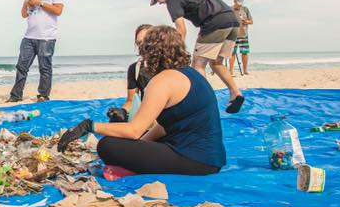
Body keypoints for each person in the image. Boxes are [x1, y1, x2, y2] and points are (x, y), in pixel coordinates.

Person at [58, 25, 226, 176]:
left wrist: (89, 126)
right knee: (128, 143)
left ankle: (131, 169)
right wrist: (137, 147)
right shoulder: (191, 74)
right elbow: (162, 126)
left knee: (107, 145)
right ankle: (134, 165)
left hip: (194, 160)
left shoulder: (162, 81)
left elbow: (134, 130)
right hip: (211, 158)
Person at [147, 0, 245, 114]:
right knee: (216, 63)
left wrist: (175, 54)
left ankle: (206, 102)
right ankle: (236, 93)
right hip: (232, 21)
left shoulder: (172, 0)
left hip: (214, 23)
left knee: (198, 65)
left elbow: (181, 30)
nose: (159, 3)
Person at [7, 0, 65, 103]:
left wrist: (40, 3)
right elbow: (24, 15)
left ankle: (43, 96)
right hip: (29, 36)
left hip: (46, 37)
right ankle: (16, 95)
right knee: (21, 66)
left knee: (44, 68)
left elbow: (58, 11)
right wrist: (26, 3)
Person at [107, 24, 153, 123]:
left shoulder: (169, 65)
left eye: (147, 41)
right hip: (148, 118)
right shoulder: (135, 69)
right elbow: (131, 100)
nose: (142, 46)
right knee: (115, 121)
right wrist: (122, 111)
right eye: (139, 43)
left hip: (170, 118)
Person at [230, 0, 253, 76]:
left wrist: (246, 21)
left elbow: (251, 21)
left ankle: (245, 70)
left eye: (240, 3)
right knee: (232, 53)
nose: (239, 5)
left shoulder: (245, 9)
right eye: (238, 3)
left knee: (245, 52)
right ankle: (231, 71)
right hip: (233, 34)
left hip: (244, 34)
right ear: (234, 1)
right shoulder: (230, 9)